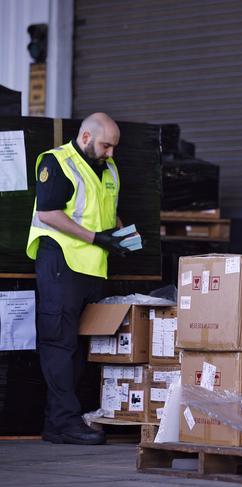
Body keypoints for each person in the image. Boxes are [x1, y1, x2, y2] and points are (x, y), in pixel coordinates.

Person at [26, 112, 128, 445]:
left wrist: (121, 235)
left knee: (81, 346)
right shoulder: (57, 162)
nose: (110, 153)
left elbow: (106, 210)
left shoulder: (109, 167)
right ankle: (62, 423)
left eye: (113, 147)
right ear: (86, 138)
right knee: (60, 344)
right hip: (61, 264)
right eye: (105, 145)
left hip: (93, 268)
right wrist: (98, 239)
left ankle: (65, 420)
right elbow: (48, 213)